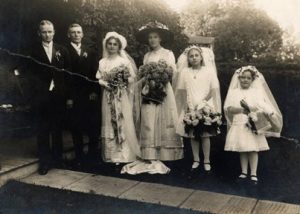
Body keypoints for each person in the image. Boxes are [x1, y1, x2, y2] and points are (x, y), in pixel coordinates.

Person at [122, 21, 182, 174]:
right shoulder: (147, 55)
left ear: (160, 39)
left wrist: (161, 77)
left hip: (163, 90)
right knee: (148, 119)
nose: (152, 40)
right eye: (150, 38)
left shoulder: (168, 53)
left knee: (164, 119)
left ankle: (165, 153)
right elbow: (142, 74)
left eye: (155, 37)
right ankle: (149, 153)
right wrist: (146, 79)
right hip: (148, 91)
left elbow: (172, 72)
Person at [224, 66, 283, 184]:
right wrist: (242, 110)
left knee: (253, 148)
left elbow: (262, 105)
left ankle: (253, 173)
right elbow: (229, 108)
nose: (245, 80)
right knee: (242, 148)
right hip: (240, 122)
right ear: (238, 78)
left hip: (253, 123)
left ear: (252, 80)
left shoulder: (256, 92)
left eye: (248, 78)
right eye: (243, 78)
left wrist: (270, 113)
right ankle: (244, 171)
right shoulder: (234, 92)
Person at [30, 20, 70, 175]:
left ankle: (58, 159)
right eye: (44, 32)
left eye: (49, 31)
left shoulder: (62, 50)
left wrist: (67, 95)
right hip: (41, 96)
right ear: (39, 33)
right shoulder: (33, 50)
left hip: (58, 95)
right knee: (43, 129)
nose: (47, 34)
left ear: (54, 32)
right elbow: (29, 74)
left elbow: (68, 74)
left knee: (57, 128)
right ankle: (44, 162)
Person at [175, 45, 221, 172]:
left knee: (205, 135)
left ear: (201, 57)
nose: (194, 58)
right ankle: (196, 159)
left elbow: (213, 90)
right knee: (193, 134)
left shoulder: (209, 71)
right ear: (188, 59)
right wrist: (188, 107)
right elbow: (182, 91)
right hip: (191, 106)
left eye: (196, 55)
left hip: (205, 105)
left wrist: (203, 103)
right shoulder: (185, 72)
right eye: (191, 56)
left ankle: (206, 160)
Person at [96, 32, 140, 164]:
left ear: (119, 46)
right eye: (109, 44)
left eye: (115, 44)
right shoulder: (102, 61)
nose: (112, 46)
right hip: (107, 96)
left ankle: (123, 155)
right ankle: (110, 155)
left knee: (121, 120)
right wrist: (105, 83)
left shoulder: (124, 61)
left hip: (120, 96)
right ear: (106, 45)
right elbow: (99, 78)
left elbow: (132, 78)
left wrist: (121, 82)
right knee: (109, 121)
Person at [65, 23, 100, 169]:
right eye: (73, 33)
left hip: (89, 95)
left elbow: (96, 73)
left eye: (78, 32)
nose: (76, 35)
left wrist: (94, 91)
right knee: (76, 127)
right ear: (68, 35)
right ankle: (79, 157)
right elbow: (65, 77)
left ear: (82, 34)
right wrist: (69, 97)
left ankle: (92, 156)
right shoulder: (64, 51)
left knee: (92, 126)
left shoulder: (90, 52)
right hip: (74, 96)